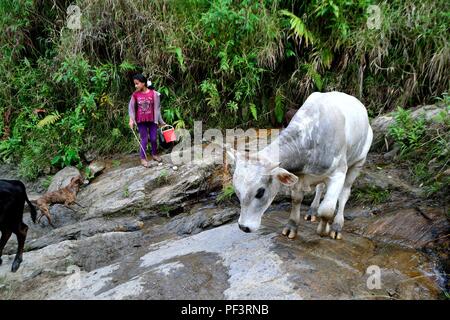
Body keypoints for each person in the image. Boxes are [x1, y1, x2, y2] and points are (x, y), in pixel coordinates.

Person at [128, 73, 167, 167]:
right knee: (144, 139)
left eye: (137, 83)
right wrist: (131, 120)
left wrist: (161, 122)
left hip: (152, 120)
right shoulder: (135, 95)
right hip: (141, 121)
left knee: (153, 138)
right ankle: (143, 159)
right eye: (135, 84)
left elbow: (157, 109)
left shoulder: (154, 94)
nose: (135, 85)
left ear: (143, 83)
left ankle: (154, 154)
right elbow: (131, 108)